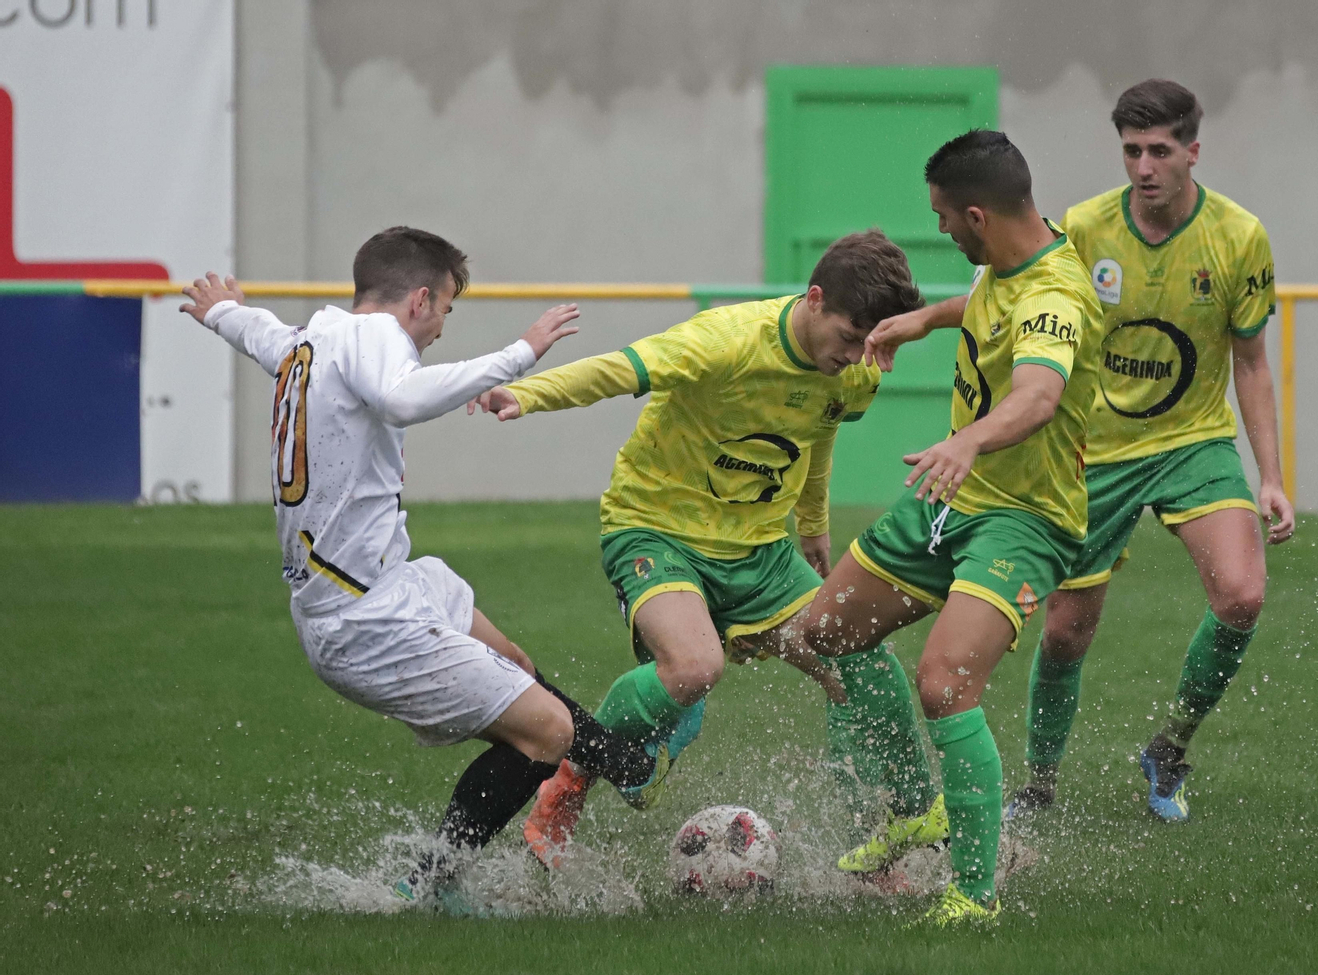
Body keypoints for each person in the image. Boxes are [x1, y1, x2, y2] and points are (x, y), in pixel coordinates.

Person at [177, 227, 668, 913]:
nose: (439, 328)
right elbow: (402, 399)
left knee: (516, 665)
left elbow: (260, 332)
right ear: (419, 300)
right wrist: (519, 353)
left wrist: (222, 310)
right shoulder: (376, 341)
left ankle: (626, 764)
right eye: (445, 310)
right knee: (545, 731)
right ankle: (428, 885)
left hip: (387, 584)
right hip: (364, 618)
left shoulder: (311, 341)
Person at [469, 230, 934, 867]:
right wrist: (526, 392)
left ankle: (895, 832)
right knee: (694, 669)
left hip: (762, 554)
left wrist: (812, 525)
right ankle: (571, 781)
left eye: (876, 344)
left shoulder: (856, 372)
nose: (860, 357)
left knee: (862, 667)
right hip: (657, 530)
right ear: (815, 298)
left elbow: (817, 433)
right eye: (851, 337)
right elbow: (619, 369)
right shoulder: (726, 340)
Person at [798, 131, 1104, 926]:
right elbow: (987, 302)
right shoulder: (1008, 264)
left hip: (1023, 522)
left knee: (944, 684)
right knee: (823, 632)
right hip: (950, 502)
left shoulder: (1056, 297)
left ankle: (974, 894)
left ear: (977, 214)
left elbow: (1038, 392)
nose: (939, 229)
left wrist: (967, 439)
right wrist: (925, 319)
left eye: (943, 217)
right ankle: (913, 811)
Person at [1007, 79, 1295, 825]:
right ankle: (1038, 783)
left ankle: (1170, 747)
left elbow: (1252, 363)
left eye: (1160, 150)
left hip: (1193, 441)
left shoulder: (1238, 237)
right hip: (1096, 448)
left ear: (1192, 151)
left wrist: (1271, 476)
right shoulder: (1083, 228)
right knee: (1068, 628)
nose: (1144, 166)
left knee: (1242, 594)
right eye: (1132, 150)